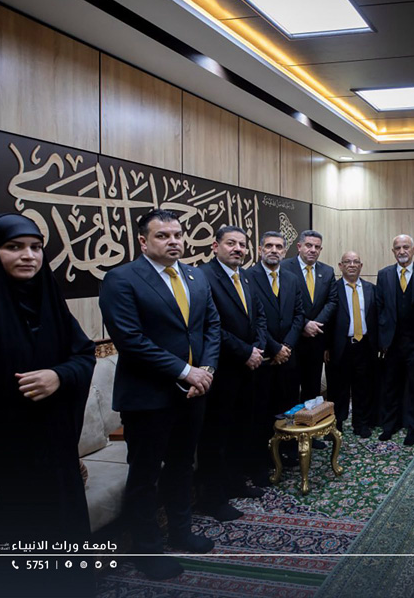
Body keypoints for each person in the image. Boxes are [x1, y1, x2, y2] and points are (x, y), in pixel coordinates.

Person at [0, 214, 96, 597]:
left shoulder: (47, 299)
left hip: (52, 463)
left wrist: (59, 375)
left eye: (36, 247)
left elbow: (83, 353)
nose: (28, 256)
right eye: (13, 247)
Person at [99, 209, 221, 580]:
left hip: (193, 394)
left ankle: (181, 531)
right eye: (162, 236)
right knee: (145, 476)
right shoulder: (121, 279)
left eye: (177, 235)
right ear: (143, 241)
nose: (173, 242)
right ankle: (146, 550)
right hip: (148, 397)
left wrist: (206, 371)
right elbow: (130, 340)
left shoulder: (195, 275)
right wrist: (186, 371)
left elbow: (211, 326)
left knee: (183, 465)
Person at [197, 226, 267, 521]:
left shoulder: (245, 276)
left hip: (248, 369)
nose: (238, 248)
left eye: (242, 244)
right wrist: (245, 352)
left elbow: (259, 317)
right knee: (216, 437)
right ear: (215, 246)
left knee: (241, 430)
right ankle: (213, 498)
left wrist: (258, 348)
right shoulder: (203, 277)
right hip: (222, 370)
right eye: (231, 243)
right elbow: (211, 326)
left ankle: (236, 483)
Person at [245, 231, 304, 479]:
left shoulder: (291, 278)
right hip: (264, 359)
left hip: (288, 358)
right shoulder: (247, 277)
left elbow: (299, 315)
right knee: (261, 412)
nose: (274, 250)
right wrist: (275, 348)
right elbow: (252, 319)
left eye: (279, 247)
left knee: (287, 408)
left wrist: (286, 346)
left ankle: (287, 452)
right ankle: (262, 460)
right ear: (260, 250)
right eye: (268, 246)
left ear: (285, 251)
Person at [282, 230, 337, 448]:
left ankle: (309, 434)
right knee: (289, 390)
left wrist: (315, 324)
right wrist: (304, 324)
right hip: (291, 342)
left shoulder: (327, 271)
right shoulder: (284, 268)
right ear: (299, 246)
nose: (313, 250)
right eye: (309, 245)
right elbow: (283, 303)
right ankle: (289, 439)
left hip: (316, 341)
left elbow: (332, 302)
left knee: (312, 390)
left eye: (317, 247)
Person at [376, 235, 414, 445]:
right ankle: (389, 425)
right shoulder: (384, 274)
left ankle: (413, 427)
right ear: (393, 251)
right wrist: (382, 339)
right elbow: (379, 307)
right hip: (392, 342)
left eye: (406, 247)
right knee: (390, 386)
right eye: (398, 248)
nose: (402, 251)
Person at [327, 251, 378, 437]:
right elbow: (327, 320)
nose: (352, 265)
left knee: (363, 387)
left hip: (364, 345)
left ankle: (361, 424)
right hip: (340, 346)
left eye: (356, 262)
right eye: (347, 262)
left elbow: (376, 317)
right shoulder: (332, 289)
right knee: (338, 389)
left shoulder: (371, 289)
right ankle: (336, 425)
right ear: (340, 266)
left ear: (361, 266)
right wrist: (326, 347)